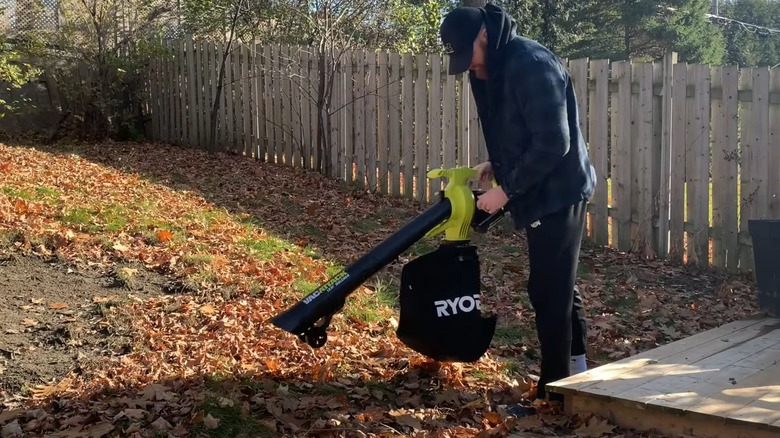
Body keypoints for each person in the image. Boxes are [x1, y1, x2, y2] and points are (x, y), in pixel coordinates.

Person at [438, 2, 597, 407]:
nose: (469, 68)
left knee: (548, 291)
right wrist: (500, 164)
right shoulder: (491, 67)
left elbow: (553, 142)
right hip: (535, 185)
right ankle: (579, 375)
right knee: (559, 285)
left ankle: (554, 394)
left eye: (467, 56)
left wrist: (506, 191)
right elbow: (517, 127)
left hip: (558, 190)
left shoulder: (531, 63)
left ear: (484, 36)